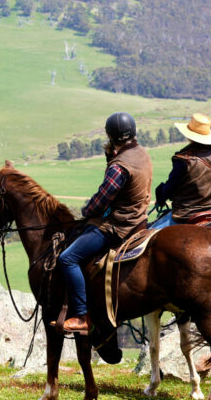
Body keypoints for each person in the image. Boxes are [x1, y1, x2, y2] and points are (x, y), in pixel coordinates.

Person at [58, 112, 153, 333]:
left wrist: (86, 211)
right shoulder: (142, 154)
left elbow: (102, 199)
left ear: (111, 136)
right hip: (140, 220)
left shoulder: (119, 166)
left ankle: (81, 316)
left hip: (119, 226)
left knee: (67, 258)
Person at [153, 113, 211, 229]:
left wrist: (161, 197)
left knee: (148, 235)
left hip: (184, 215)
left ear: (189, 136)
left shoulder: (183, 160)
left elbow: (171, 187)